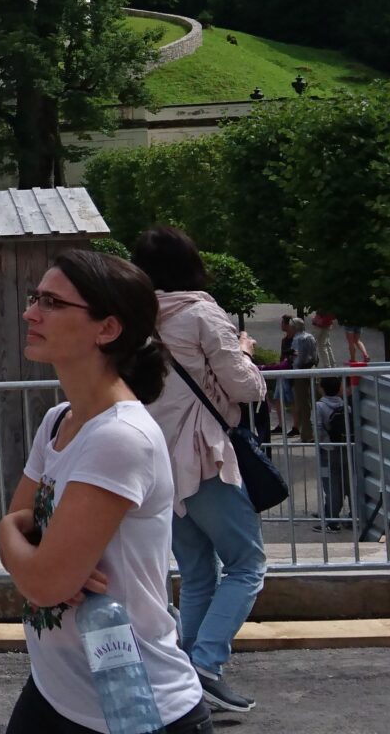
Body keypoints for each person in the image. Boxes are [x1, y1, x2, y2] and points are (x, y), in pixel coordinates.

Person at [0, 248, 210, 734]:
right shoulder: (59, 421)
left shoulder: (118, 437)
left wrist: (9, 531)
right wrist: (32, 553)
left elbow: (41, 577)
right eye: (36, 298)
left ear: (107, 329)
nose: (30, 312)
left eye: (51, 302)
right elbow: (35, 565)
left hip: (134, 710)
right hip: (56, 692)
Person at [131, 226, 268, 717]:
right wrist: (247, 353)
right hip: (205, 455)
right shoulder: (200, 311)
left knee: (195, 574)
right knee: (247, 565)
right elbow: (245, 387)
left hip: (158, 462)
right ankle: (206, 666)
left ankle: (187, 678)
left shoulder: (136, 319)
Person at [315, 377, 350, 526]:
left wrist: (325, 444)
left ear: (321, 389)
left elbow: (317, 429)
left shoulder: (319, 406)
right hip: (345, 449)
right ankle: (352, 517)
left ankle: (331, 520)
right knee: (348, 484)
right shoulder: (346, 406)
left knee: (331, 486)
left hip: (327, 452)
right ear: (340, 389)